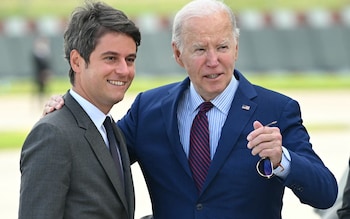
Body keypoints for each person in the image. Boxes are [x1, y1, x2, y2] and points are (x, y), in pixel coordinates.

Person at [43, 0, 338, 218]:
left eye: (222, 47)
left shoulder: (278, 109)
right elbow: (97, 155)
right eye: (199, 49)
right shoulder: (149, 109)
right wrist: (70, 112)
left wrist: (282, 159)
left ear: (236, 48)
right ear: (177, 53)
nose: (213, 60)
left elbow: (325, 194)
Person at [19, 2, 141, 219]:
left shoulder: (109, 128)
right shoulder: (52, 134)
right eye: (111, 58)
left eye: (129, 59)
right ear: (76, 61)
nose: (124, 70)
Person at [32, 36, 52, 104]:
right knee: (38, 88)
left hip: (44, 72)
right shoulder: (37, 53)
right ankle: (38, 102)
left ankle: (47, 101)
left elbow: (48, 64)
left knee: (46, 88)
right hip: (39, 73)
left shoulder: (46, 53)